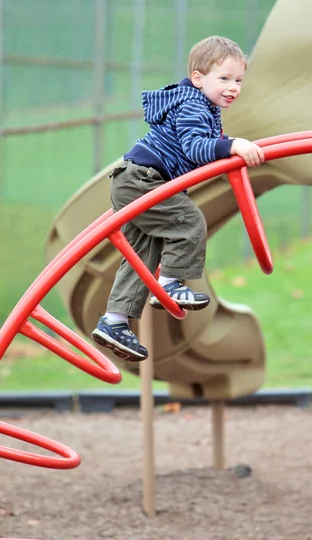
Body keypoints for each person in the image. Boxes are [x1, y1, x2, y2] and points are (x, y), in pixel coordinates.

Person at [92, 35, 264, 362]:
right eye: (224, 78)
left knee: (144, 253)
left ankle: (114, 321)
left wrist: (227, 145)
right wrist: (234, 145)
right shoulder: (193, 106)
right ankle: (171, 283)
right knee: (189, 223)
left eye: (238, 80)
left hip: (136, 181)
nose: (233, 87)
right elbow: (195, 149)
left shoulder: (202, 105)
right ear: (198, 78)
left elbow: (202, 143)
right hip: (144, 180)